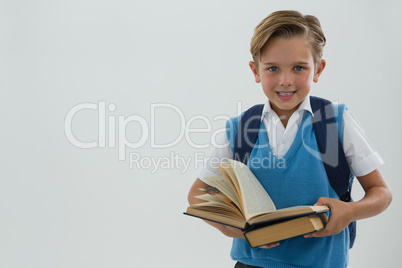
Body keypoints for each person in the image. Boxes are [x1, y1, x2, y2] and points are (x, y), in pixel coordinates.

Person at [187, 10, 392, 268]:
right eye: (273, 68)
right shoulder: (240, 128)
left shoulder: (334, 122)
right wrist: (235, 228)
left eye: (298, 68)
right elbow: (198, 195)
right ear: (255, 70)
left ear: (318, 69)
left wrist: (350, 212)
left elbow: (381, 193)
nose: (285, 81)